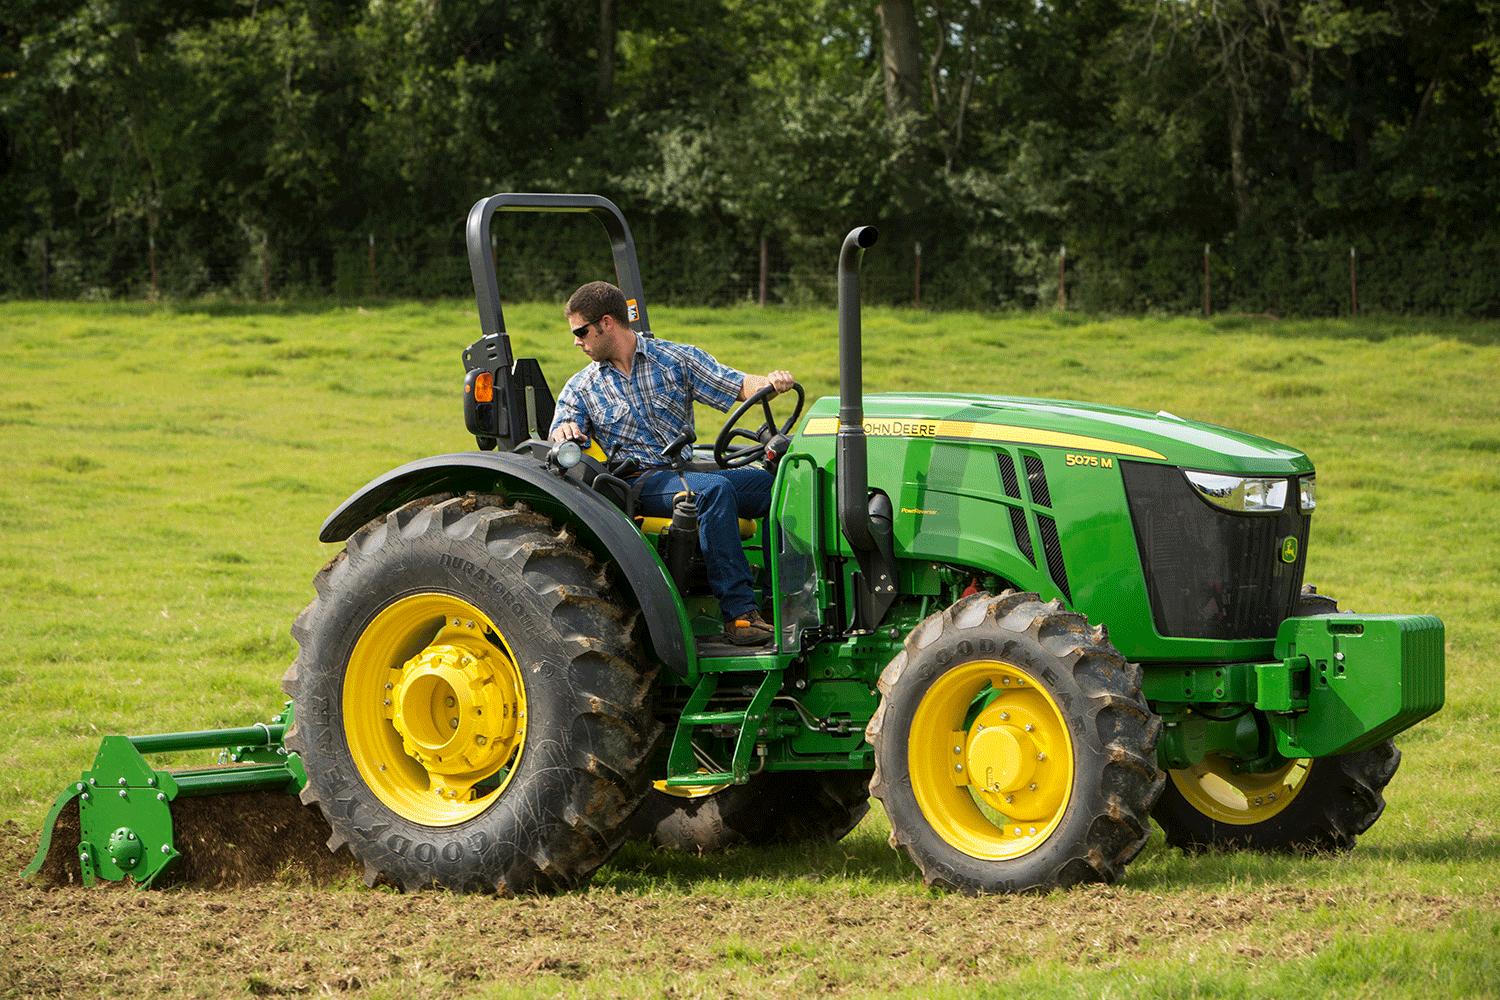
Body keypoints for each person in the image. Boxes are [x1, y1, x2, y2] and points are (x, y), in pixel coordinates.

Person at [548, 281, 793, 646]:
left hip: (688, 470)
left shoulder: (676, 359)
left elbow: (738, 385)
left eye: (581, 331)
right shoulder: (582, 387)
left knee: (784, 487)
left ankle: (784, 603)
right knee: (713, 492)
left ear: (607, 323)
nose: (576, 341)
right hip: (641, 482)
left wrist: (770, 382)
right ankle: (740, 616)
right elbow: (559, 432)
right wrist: (564, 431)